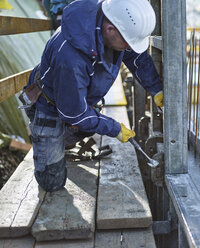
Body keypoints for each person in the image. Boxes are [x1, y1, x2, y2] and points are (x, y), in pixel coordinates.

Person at [22, 0, 164, 192]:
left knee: (86, 126)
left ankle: (59, 143)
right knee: (52, 183)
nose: (129, 48)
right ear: (111, 29)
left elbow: (135, 56)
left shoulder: (108, 26)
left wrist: (156, 88)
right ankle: (47, 142)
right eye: (127, 43)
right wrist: (114, 128)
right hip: (50, 106)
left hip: (74, 98)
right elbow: (74, 113)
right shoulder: (71, 58)